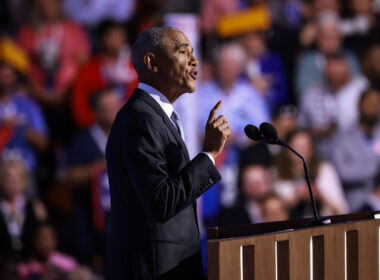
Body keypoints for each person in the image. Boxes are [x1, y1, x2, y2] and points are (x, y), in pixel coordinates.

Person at [106, 27, 231, 279]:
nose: (194, 61)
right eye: (183, 52)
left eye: (193, 53)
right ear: (152, 62)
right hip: (155, 269)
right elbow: (161, 201)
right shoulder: (140, 118)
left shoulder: (159, 115)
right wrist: (208, 154)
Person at [275, 129, 348, 218]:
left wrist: (320, 197)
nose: (302, 151)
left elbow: (342, 210)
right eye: (297, 147)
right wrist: (295, 199)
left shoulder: (325, 170)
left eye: (306, 146)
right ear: (287, 150)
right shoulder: (279, 177)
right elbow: (275, 215)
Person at [332, 89, 380, 211]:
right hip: (357, 201)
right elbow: (344, 172)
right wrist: (375, 169)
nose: (373, 107)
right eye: (369, 102)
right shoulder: (343, 137)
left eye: (377, 103)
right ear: (359, 104)